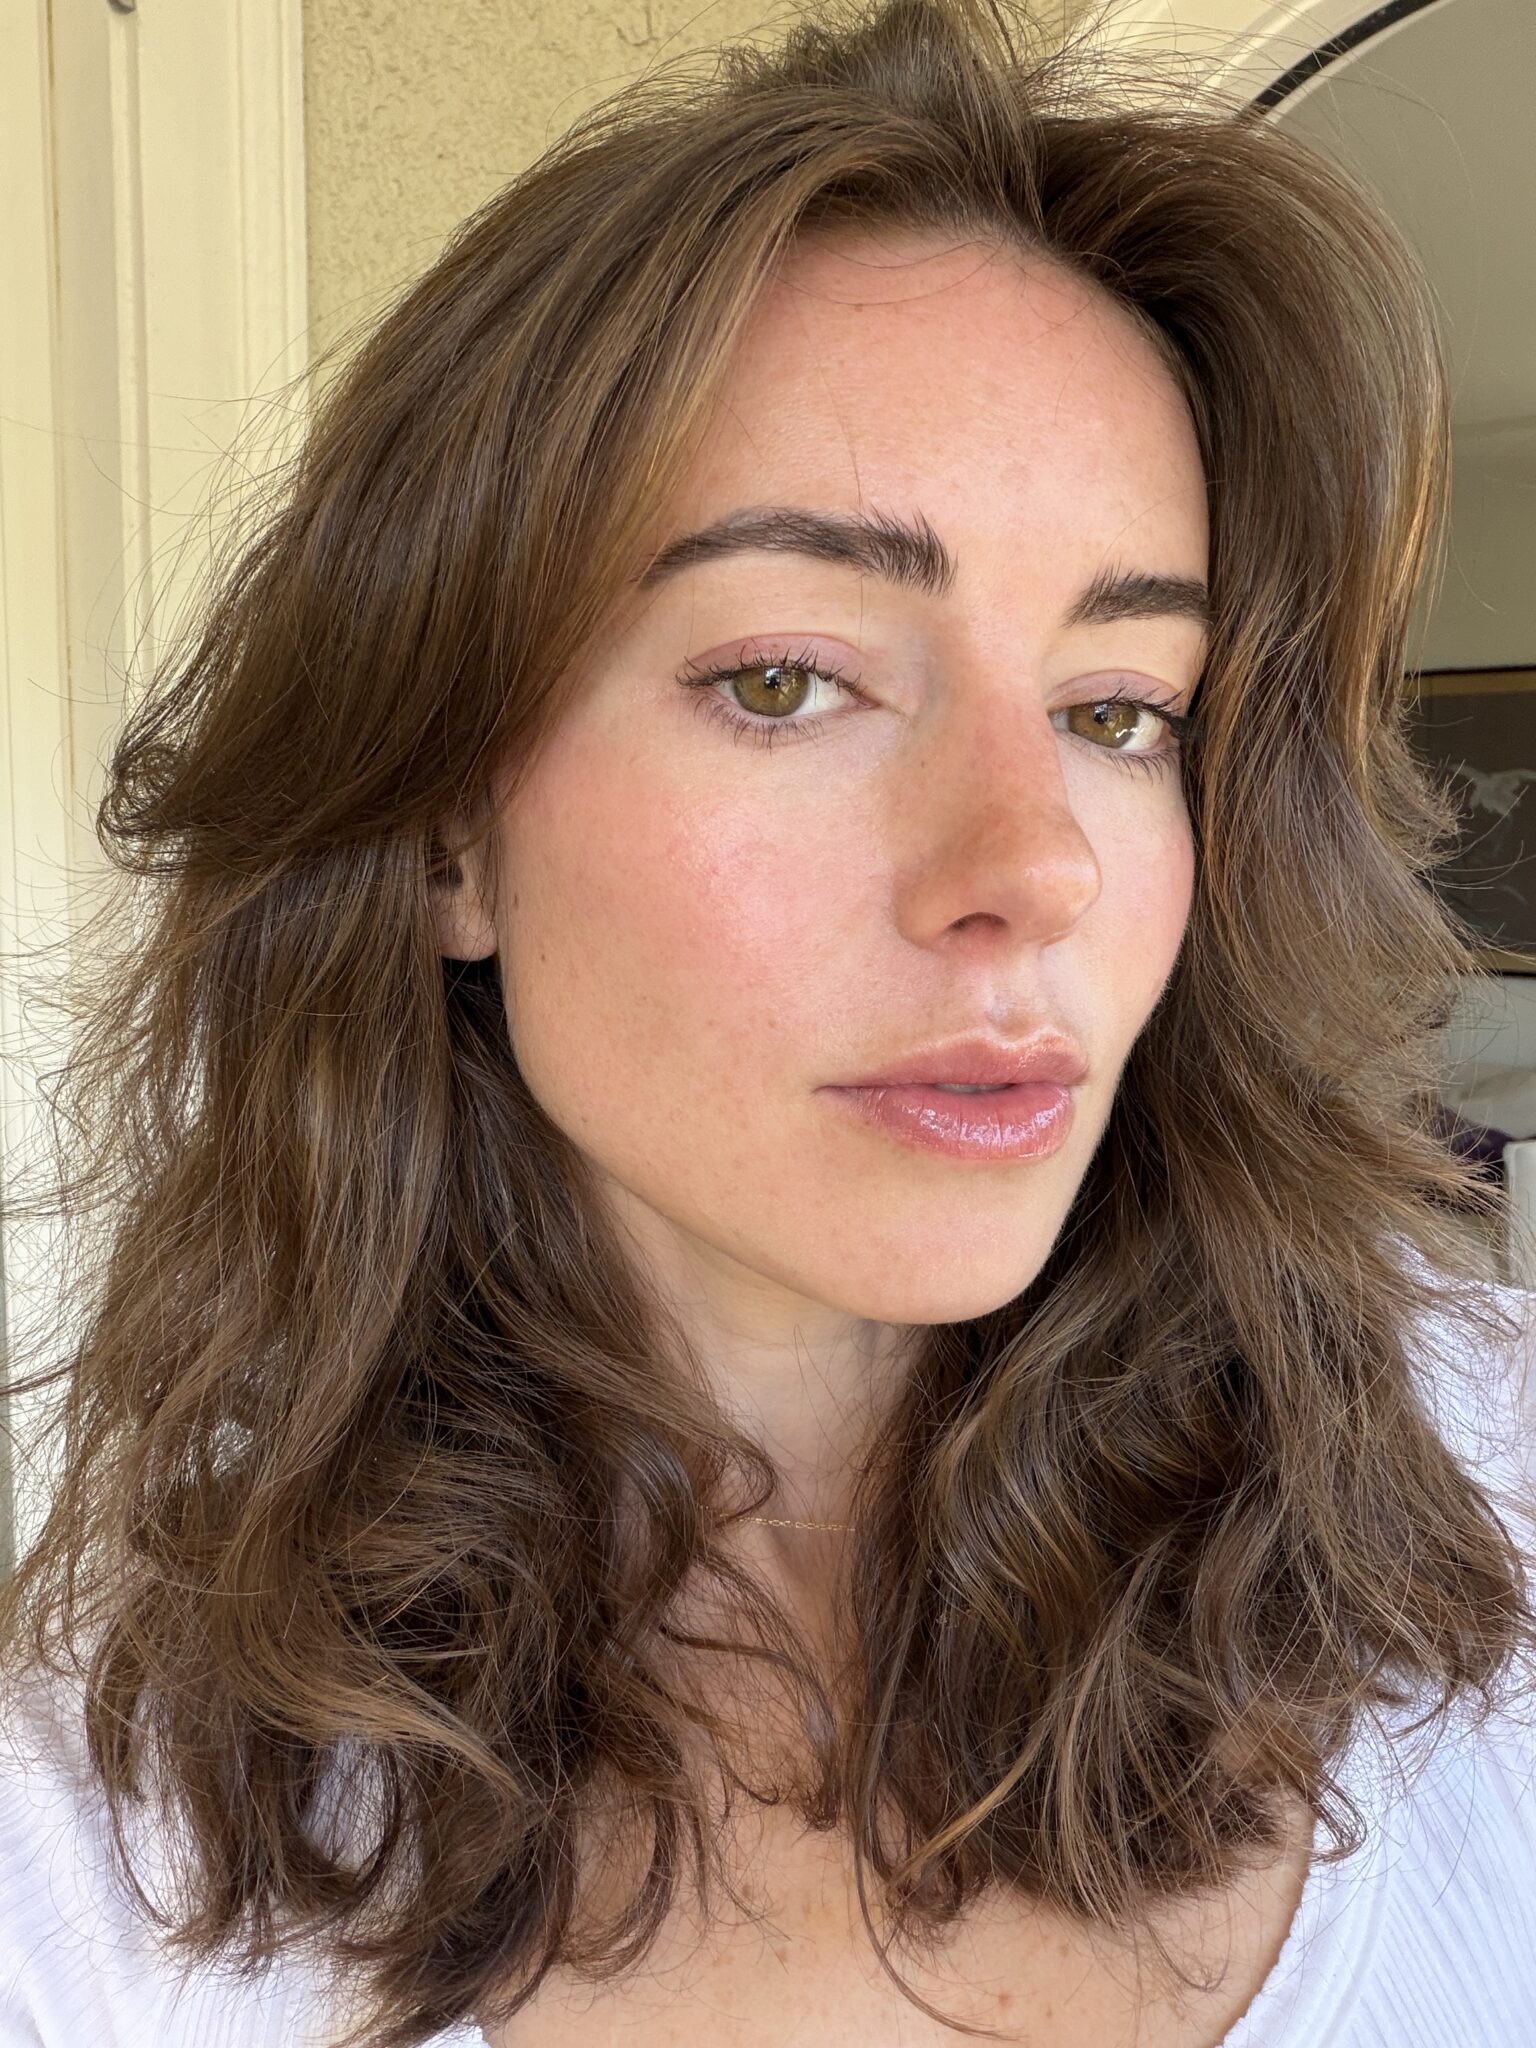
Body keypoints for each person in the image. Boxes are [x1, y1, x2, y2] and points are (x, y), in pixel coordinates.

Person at [2, 2, 1534, 2044]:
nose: (1034, 863)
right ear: (447, 824)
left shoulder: (1486, 1505)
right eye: (791, 679)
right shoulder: (93, 1859)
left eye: (1116, 709)